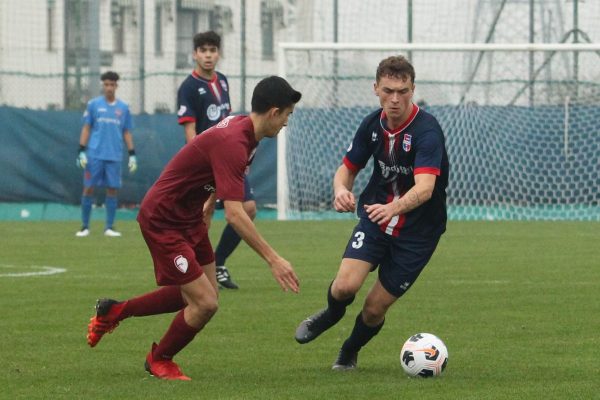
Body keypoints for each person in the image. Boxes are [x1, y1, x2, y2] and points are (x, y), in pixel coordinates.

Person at [86, 76, 302, 381]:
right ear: (274, 112)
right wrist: (273, 259)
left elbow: (216, 168)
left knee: (203, 294)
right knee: (205, 303)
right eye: (287, 116)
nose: (285, 124)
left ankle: (114, 311)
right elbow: (236, 215)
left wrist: (209, 200)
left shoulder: (247, 135)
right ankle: (159, 359)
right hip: (164, 219)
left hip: (188, 216)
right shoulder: (235, 142)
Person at [294, 55, 449, 371]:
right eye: (388, 90)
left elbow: (425, 188)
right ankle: (331, 314)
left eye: (403, 91)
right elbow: (346, 170)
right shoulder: (371, 124)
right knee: (344, 287)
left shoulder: (427, 131)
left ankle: (349, 351)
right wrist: (340, 190)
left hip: (418, 233)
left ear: (413, 89)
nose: (395, 99)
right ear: (376, 88)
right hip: (376, 219)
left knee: (374, 308)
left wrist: (393, 208)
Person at [176, 30, 253, 290]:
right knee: (203, 217)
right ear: (195, 54)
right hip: (205, 164)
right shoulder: (188, 87)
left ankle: (218, 262)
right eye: (203, 50)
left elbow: (228, 123)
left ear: (218, 53)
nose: (208, 55)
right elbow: (190, 133)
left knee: (249, 208)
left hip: (228, 160)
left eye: (213, 50)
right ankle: (193, 270)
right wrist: (203, 165)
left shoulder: (223, 81)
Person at [75, 71, 137, 237]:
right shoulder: (94, 105)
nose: (109, 87)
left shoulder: (123, 108)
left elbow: (126, 132)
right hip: (94, 154)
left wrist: (132, 154)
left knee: (112, 190)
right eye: (106, 84)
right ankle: (85, 227)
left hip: (114, 155)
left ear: (116, 86)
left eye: (112, 84)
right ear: (103, 85)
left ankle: (109, 227)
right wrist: (81, 150)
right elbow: (87, 127)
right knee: (88, 188)